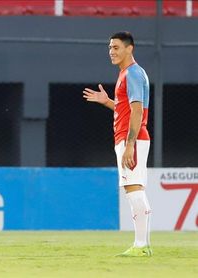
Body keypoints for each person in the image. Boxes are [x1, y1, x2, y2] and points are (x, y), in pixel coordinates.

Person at [83, 31, 152, 257]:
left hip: (130, 138)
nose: (111, 51)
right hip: (127, 137)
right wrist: (107, 102)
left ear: (129, 48)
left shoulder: (132, 74)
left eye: (116, 47)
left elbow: (137, 110)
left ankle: (142, 246)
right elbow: (126, 109)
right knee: (134, 187)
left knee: (133, 188)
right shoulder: (128, 74)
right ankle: (143, 245)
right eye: (110, 48)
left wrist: (129, 144)